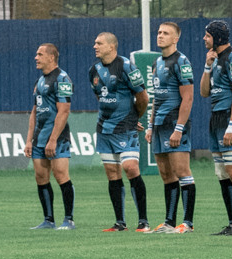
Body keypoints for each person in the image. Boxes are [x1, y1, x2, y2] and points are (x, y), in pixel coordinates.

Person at [86, 32, 148, 231]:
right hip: (104, 129)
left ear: (111, 47)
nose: (95, 46)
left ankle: (143, 221)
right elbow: (100, 97)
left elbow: (143, 97)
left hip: (125, 127)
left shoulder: (127, 67)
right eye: (95, 42)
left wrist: (134, 117)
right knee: (112, 174)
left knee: (130, 168)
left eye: (99, 43)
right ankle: (120, 222)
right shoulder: (93, 70)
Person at [199, 20, 232, 234]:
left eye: (207, 35)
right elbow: (204, 92)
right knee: (222, 173)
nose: (204, 39)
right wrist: (207, 66)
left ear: (217, 37)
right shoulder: (215, 59)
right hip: (216, 119)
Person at [150, 18, 201, 232]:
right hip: (160, 124)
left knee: (181, 170)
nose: (160, 35)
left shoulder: (182, 62)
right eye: (159, 32)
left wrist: (179, 128)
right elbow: (155, 98)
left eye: (166, 33)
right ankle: (169, 222)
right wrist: (151, 125)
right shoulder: (156, 63)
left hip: (174, 122)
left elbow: (188, 98)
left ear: (176, 39)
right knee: (165, 174)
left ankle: (187, 223)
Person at [27, 41, 76, 229]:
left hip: (58, 137)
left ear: (51, 57)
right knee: (41, 176)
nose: (36, 58)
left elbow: (64, 111)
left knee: (61, 174)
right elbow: (34, 111)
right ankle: (48, 220)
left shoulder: (62, 78)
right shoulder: (39, 81)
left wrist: (53, 139)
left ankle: (69, 219)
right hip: (39, 137)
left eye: (40, 54)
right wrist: (29, 140)